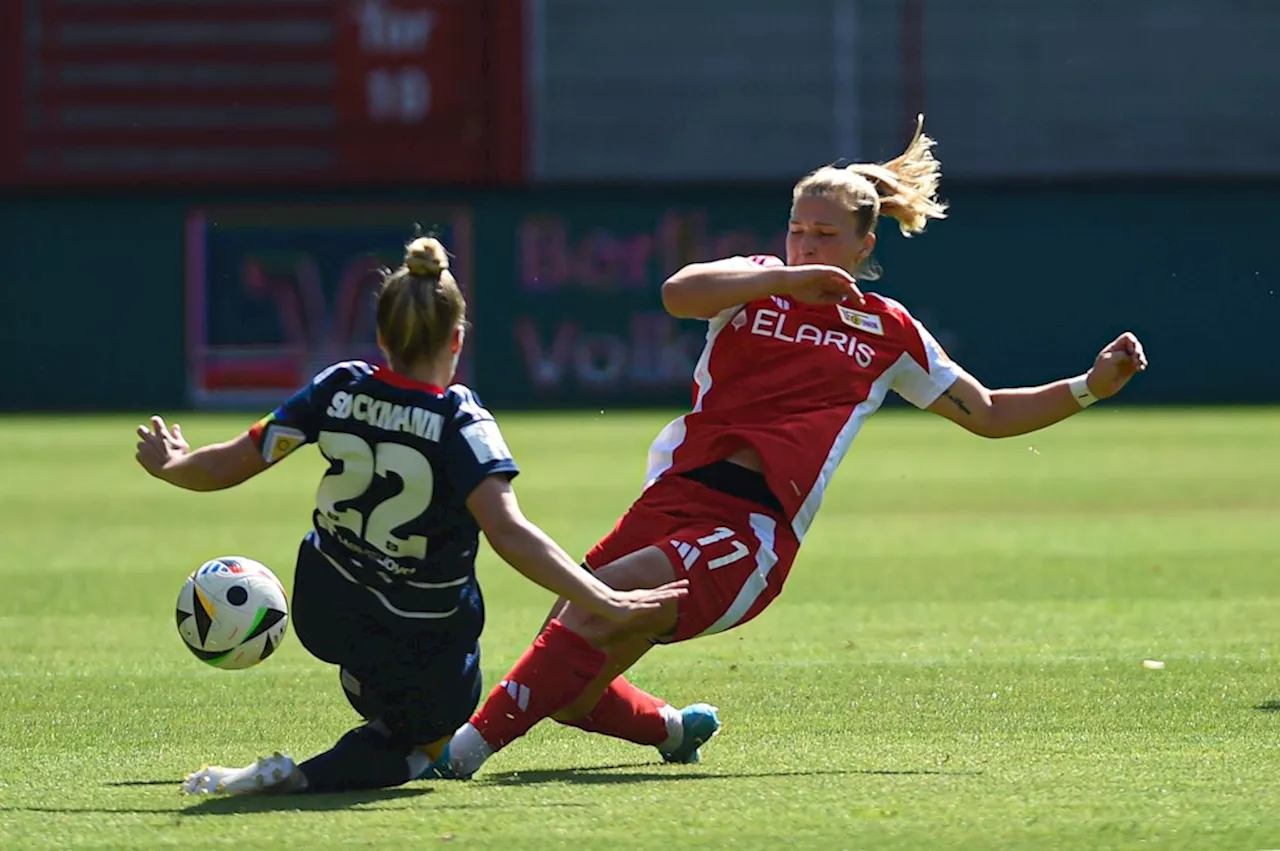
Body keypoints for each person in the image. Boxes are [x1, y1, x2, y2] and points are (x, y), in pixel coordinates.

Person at [425, 115, 1149, 779]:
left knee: (597, 613)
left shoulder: (887, 330)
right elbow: (679, 291)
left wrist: (1089, 385)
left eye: (824, 236)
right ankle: (674, 729)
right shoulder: (754, 284)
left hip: (750, 531)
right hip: (672, 497)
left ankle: (456, 754)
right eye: (797, 229)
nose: (805, 244)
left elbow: (988, 411)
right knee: (566, 677)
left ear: (865, 245)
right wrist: (782, 274)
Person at [134, 236, 687, 796]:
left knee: (368, 638)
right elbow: (509, 533)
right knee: (428, 741)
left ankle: (370, 687)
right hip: (419, 633)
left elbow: (235, 462)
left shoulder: (337, 385)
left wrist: (174, 465)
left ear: (381, 336)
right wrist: (606, 599)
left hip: (324, 608)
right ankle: (302, 775)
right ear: (457, 338)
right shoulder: (460, 419)